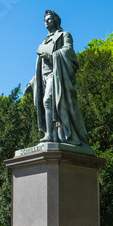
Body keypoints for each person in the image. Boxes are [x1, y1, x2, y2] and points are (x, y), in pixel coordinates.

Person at [24, 10, 89, 146]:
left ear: (56, 20)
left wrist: (51, 56)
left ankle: (50, 135)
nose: (46, 22)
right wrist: (32, 82)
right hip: (44, 77)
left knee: (48, 100)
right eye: (44, 20)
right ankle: (51, 134)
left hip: (57, 74)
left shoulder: (64, 35)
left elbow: (69, 52)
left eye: (49, 19)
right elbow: (40, 67)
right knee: (45, 102)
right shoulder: (44, 41)